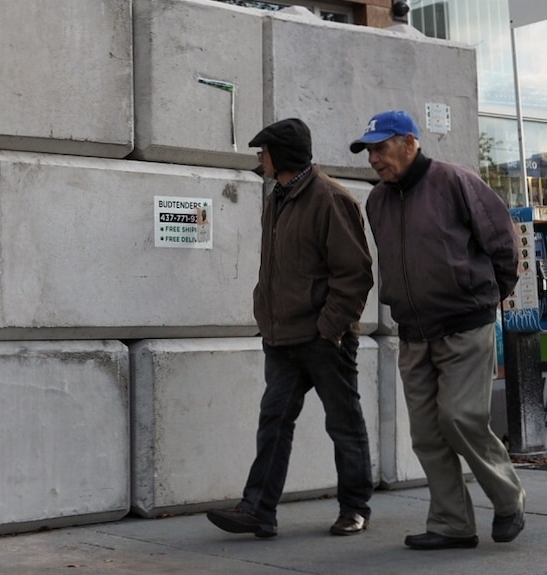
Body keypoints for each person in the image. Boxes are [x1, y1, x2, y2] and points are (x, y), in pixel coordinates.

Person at [350, 110, 526, 550]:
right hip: (413, 332)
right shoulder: (378, 201)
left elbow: (503, 244)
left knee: (460, 417)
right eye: (369, 150)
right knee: (427, 433)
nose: (373, 158)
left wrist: (482, 296)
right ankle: (452, 524)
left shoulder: (455, 181)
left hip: (465, 326)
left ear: (410, 142)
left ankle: (509, 497)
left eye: (380, 147)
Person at [206, 118, 375, 538]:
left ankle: (355, 508)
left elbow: (354, 274)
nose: (259, 159)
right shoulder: (276, 199)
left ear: (281, 155)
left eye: (262, 152)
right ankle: (258, 510)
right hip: (281, 338)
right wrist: (265, 317)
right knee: (273, 421)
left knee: (344, 424)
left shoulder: (331, 199)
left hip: (325, 339)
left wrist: (329, 327)